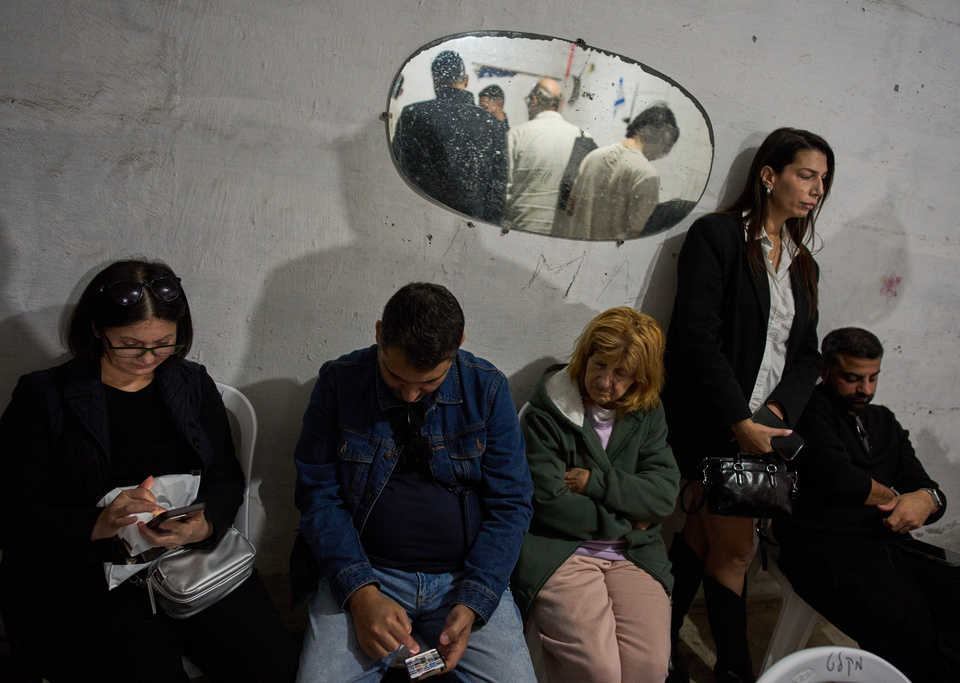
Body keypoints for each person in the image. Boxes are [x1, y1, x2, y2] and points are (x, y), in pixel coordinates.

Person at [0, 259, 298, 682]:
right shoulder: (43, 396)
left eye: (163, 344)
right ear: (97, 329)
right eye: (129, 344)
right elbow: (12, 514)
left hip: (184, 556)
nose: (147, 358)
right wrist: (97, 524)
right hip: (82, 571)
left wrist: (202, 525)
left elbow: (226, 479)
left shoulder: (191, 384)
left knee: (272, 665)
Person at [292, 282, 536, 683]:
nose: (408, 395)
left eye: (428, 383)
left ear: (457, 345)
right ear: (377, 333)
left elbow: (512, 503)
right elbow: (318, 496)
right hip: (366, 570)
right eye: (394, 376)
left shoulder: (486, 388)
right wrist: (360, 593)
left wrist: (475, 600)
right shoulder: (340, 383)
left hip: (464, 576)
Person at [662, 128, 835, 683]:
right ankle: (734, 671)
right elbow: (696, 338)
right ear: (769, 175)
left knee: (700, 534)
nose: (816, 189)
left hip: (766, 428)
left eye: (823, 180)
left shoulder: (804, 264)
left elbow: (807, 356)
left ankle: (657, 643)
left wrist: (776, 414)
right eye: (806, 175)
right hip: (717, 421)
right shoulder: (717, 237)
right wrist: (739, 420)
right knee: (734, 553)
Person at [774, 327, 960, 682]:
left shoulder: (883, 421)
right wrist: (900, 499)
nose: (866, 389)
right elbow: (840, 480)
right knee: (913, 630)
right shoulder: (808, 411)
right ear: (826, 370)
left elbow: (926, 487)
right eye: (853, 378)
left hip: (890, 546)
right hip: (825, 550)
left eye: (874, 377)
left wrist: (926, 499)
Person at [512, 307, 680, 683]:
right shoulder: (548, 412)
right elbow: (551, 504)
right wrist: (626, 518)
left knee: (649, 669)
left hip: (633, 553)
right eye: (599, 365)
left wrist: (595, 484)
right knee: (598, 671)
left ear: (641, 377)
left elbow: (664, 494)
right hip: (564, 550)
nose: (604, 381)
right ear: (584, 356)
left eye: (620, 373)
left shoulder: (648, 412)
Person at [391, 50, 508, 224]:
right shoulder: (493, 125)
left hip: (418, 219)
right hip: (471, 224)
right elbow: (497, 190)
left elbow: (398, 173)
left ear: (435, 80)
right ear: (466, 80)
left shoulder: (414, 115)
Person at [551, 103, 678, 241]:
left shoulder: (593, 156)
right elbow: (636, 233)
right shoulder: (647, 175)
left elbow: (570, 207)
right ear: (661, 141)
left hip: (572, 248)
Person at [505, 78, 592, 235]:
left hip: (521, 226)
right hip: (563, 231)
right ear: (560, 104)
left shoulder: (517, 135)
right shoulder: (583, 138)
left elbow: (506, 187)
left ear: (534, 100)